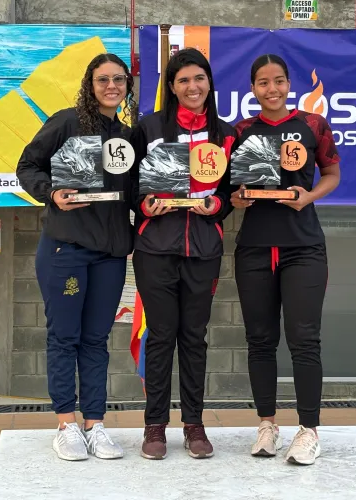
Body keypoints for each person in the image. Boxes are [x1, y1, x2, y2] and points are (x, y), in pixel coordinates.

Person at [16, 53, 137, 462]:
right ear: (90, 84)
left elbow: (136, 189)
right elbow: (27, 165)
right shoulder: (67, 123)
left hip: (110, 254)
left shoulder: (128, 136)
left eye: (118, 79)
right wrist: (51, 192)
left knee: (96, 339)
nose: (111, 86)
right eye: (103, 79)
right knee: (64, 336)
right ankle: (66, 424)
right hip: (66, 249)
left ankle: (95, 424)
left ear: (127, 85)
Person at [230, 54, 341, 466]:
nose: (271, 89)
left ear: (289, 84)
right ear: (253, 88)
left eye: (278, 81)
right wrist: (236, 198)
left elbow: (332, 173)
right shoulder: (241, 131)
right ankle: (267, 425)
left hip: (303, 247)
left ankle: (309, 430)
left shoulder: (313, 124)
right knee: (260, 340)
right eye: (263, 82)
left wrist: (308, 197)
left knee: (304, 339)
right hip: (255, 248)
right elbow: (229, 186)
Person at [131, 48, 235, 460]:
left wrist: (218, 205)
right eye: (183, 80)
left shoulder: (226, 133)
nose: (193, 87)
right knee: (160, 336)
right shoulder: (149, 128)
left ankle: (194, 425)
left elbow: (231, 190)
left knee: (194, 338)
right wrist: (144, 205)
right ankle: (155, 425)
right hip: (155, 248)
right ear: (171, 87)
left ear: (209, 82)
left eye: (199, 78)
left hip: (203, 250)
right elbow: (130, 184)